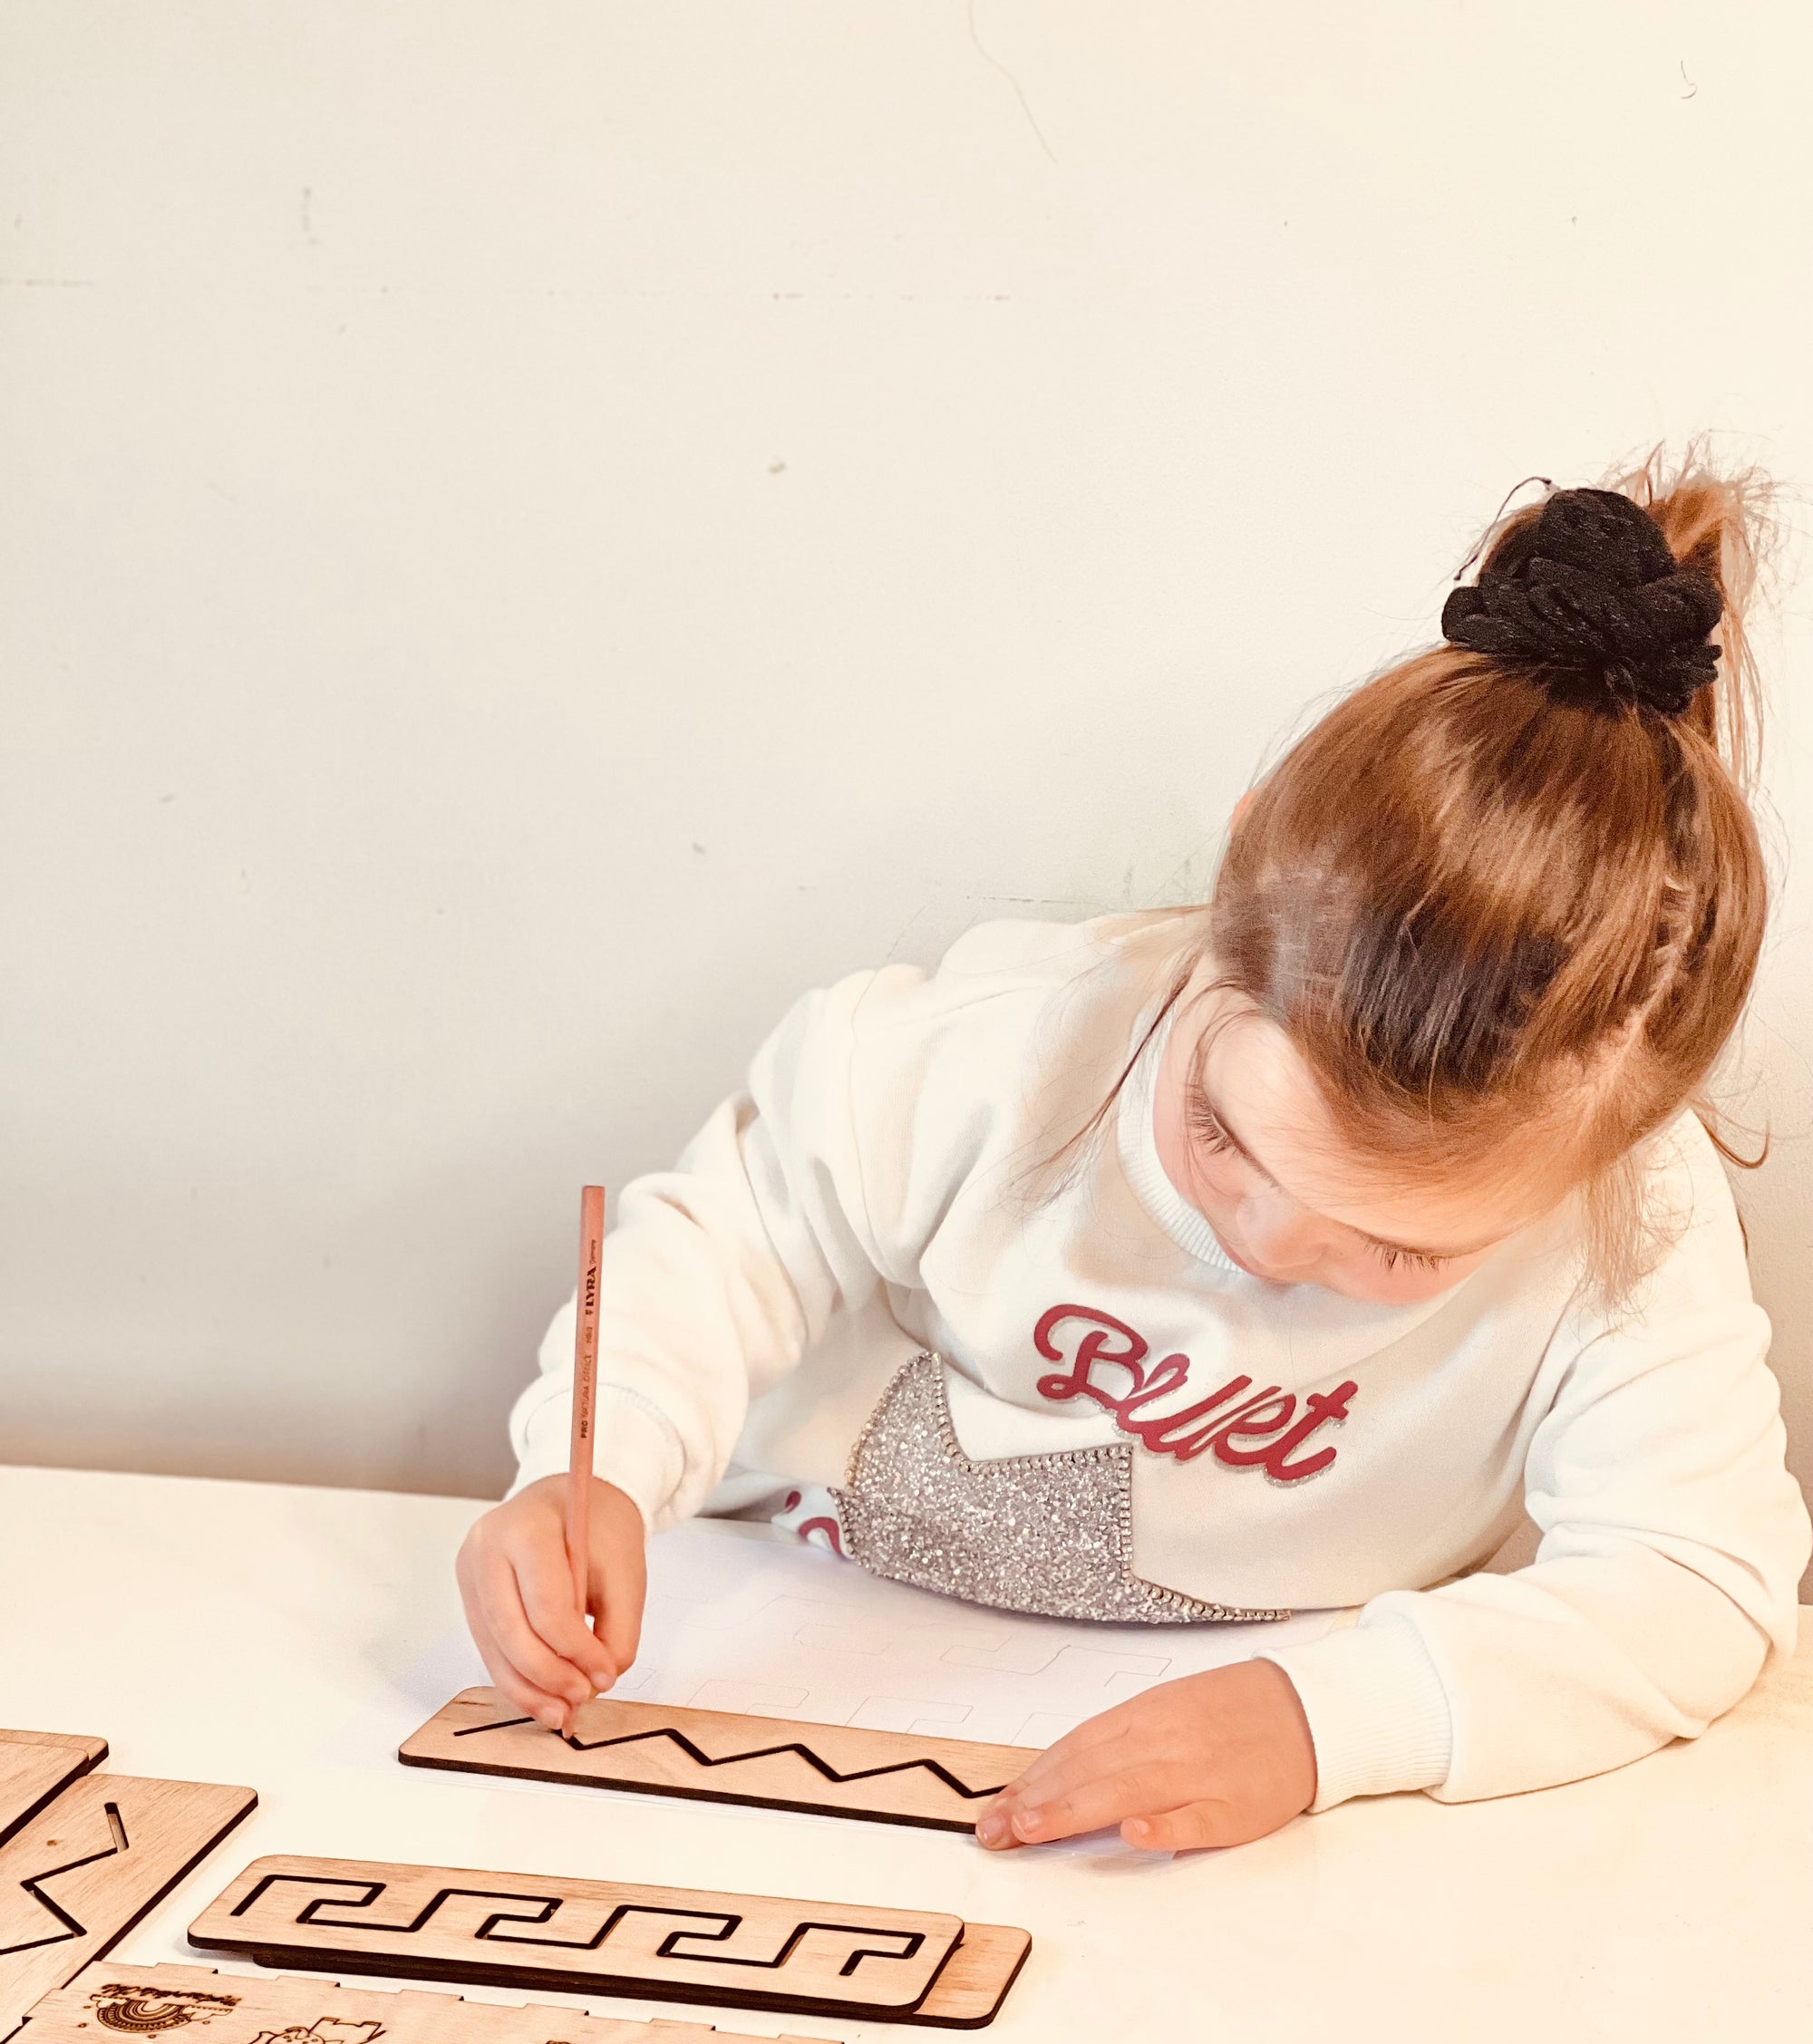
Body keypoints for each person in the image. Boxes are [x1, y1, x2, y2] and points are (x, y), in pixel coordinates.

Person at [457, 460, 1809, 1855]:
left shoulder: (1628, 1212)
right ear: (1230, 900)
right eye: (1223, 1134)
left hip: (1226, 1793)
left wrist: (1326, 1724)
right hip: (766, 1654)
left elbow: (1696, 1579)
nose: (1272, 1248)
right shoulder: (986, 1053)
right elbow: (727, 1249)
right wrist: (595, 1467)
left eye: (1401, 1248)